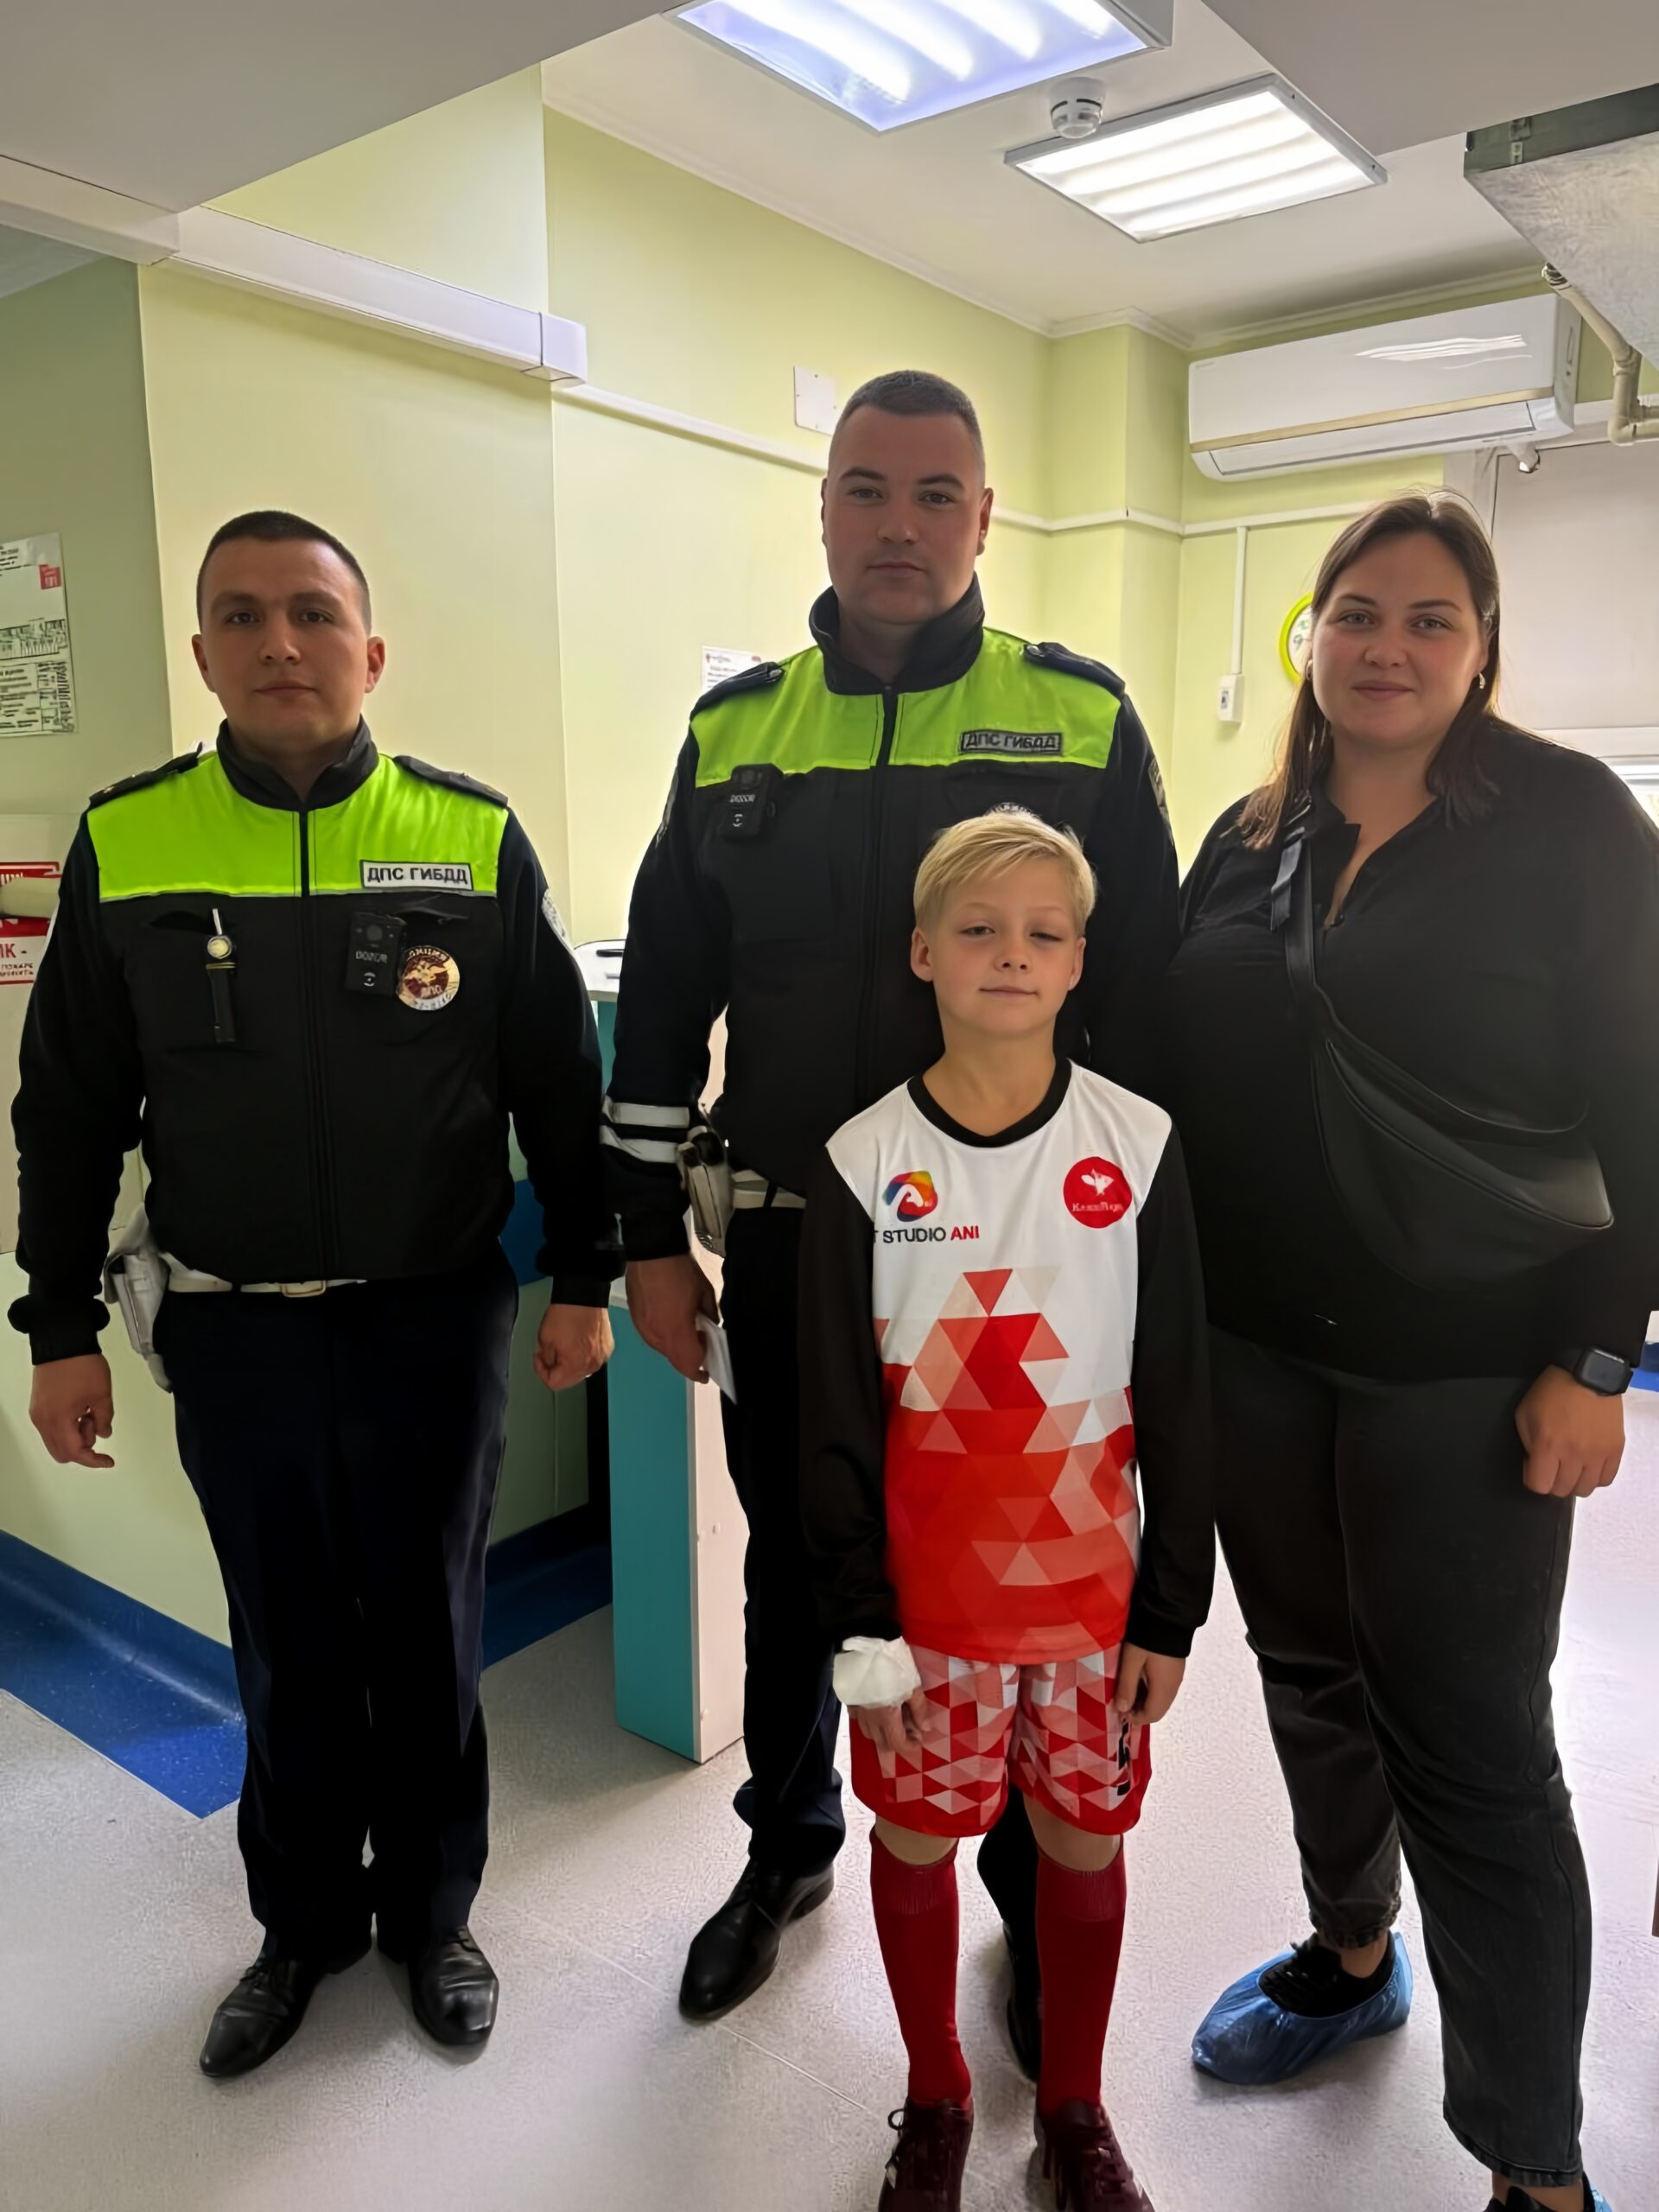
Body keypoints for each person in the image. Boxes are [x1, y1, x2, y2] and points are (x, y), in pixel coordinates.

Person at [602, 369, 1179, 2049]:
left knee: (1008, 1575)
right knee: (803, 1560)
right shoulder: (737, 731)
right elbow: (663, 1007)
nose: (901, 524)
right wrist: (642, 1239)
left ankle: (1019, 1892)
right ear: (825, 508)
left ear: (985, 518)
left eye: (937, 494)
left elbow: (1145, 1004)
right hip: (796, 1241)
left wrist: (1148, 1243)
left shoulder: (1077, 718)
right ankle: (784, 1850)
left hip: (1023, 1261)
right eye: (867, 487)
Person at [10, 510, 619, 2079]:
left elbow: (559, 1082)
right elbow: (67, 1109)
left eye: (311, 613)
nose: (279, 642)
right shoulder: (132, 839)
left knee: (430, 1629)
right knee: (282, 1638)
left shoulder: (468, 836)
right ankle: (300, 1929)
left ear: (370, 651)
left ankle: (433, 1917)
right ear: (202, 652)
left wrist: (584, 1274)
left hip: (433, 1315)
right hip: (233, 1324)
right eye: (242, 616)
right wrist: (58, 1327)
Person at [1159, 493, 1659, 2212]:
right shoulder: (1248, 836)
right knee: (1310, 1673)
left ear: (1483, 647)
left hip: (1472, 1369)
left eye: (1431, 618)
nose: (1388, 646)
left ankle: (1535, 2161)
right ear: (1310, 634)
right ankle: (1352, 1950)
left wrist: (1600, 1355)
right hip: (1256, 1350)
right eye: (1357, 614)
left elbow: (1645, 1098)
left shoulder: (1572, 821)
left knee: (1474, 1748)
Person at [797, 810, 1213, 2212]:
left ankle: (1077, 2110)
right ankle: (937, 2097)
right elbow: (831, 1430)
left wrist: (1174, 1607)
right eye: (978, 929)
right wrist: (861, 1636)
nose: (1011, 955)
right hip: (920, 1620)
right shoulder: (861, 1161)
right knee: (917, 1843)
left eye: (1044, 932)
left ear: (1081, 960)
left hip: (1096, 1611)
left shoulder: (1137, 1145)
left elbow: (1182, 1392)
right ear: (923, 952)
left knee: (1086, 1847)